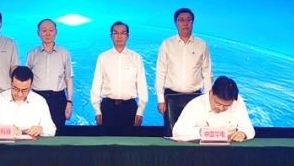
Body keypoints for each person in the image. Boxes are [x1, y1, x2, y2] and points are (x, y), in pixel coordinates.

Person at [155, 7, 212, 135]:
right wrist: (160, 99)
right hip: (171, 96)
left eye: (188, 20)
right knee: (171, 134)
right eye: (181, 20)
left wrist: (207, 99)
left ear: (193, 22)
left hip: (195, 97)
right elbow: (160, 72)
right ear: (176, 23)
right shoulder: (167, 44)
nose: (185, 23)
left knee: (194, 134)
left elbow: (207, 73)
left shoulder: (202, 44)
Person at [90, 21, 148, 134]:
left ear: (128, 36)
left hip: (129, 107)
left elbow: (142, 85)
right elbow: (97, 84)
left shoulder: (136, 58)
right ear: (111, 36)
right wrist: (97, 110)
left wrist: (140, 110)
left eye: (123, 33)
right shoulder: (103, 57)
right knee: (106, 142)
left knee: (129, 142)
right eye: (115, 33)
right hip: (107, 108)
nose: (119, 36)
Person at [0, 66, 57, 138]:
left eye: (24, 90)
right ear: (11, 82)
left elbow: (51, 129)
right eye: (16, 89)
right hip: (3, 147)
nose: (19, 94)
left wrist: (41, 129)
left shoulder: (40, 101)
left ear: (31, 86)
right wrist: (7, 131)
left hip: (31, 148)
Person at [171, 76, 255, 142]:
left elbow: (248, 128)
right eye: (218, 103)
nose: (221, 108)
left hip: (230, 148)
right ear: (211, 93)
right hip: (202, 150)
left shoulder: (237, 102)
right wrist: (203, 132)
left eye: (227, 106)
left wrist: (243, 133)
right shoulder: (196, 104)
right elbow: (177, 131)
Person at [26, 18, 73, 132]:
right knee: (35, 131)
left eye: (51, 30)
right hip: (37, 98)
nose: (47, 33)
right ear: (38, 33)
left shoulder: (64, 53)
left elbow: (68, 79)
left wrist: (69, 102)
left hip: (58, 99)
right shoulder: (32, 54)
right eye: (44, 30)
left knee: (58, 132)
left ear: (56, 32)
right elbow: (26, 79)